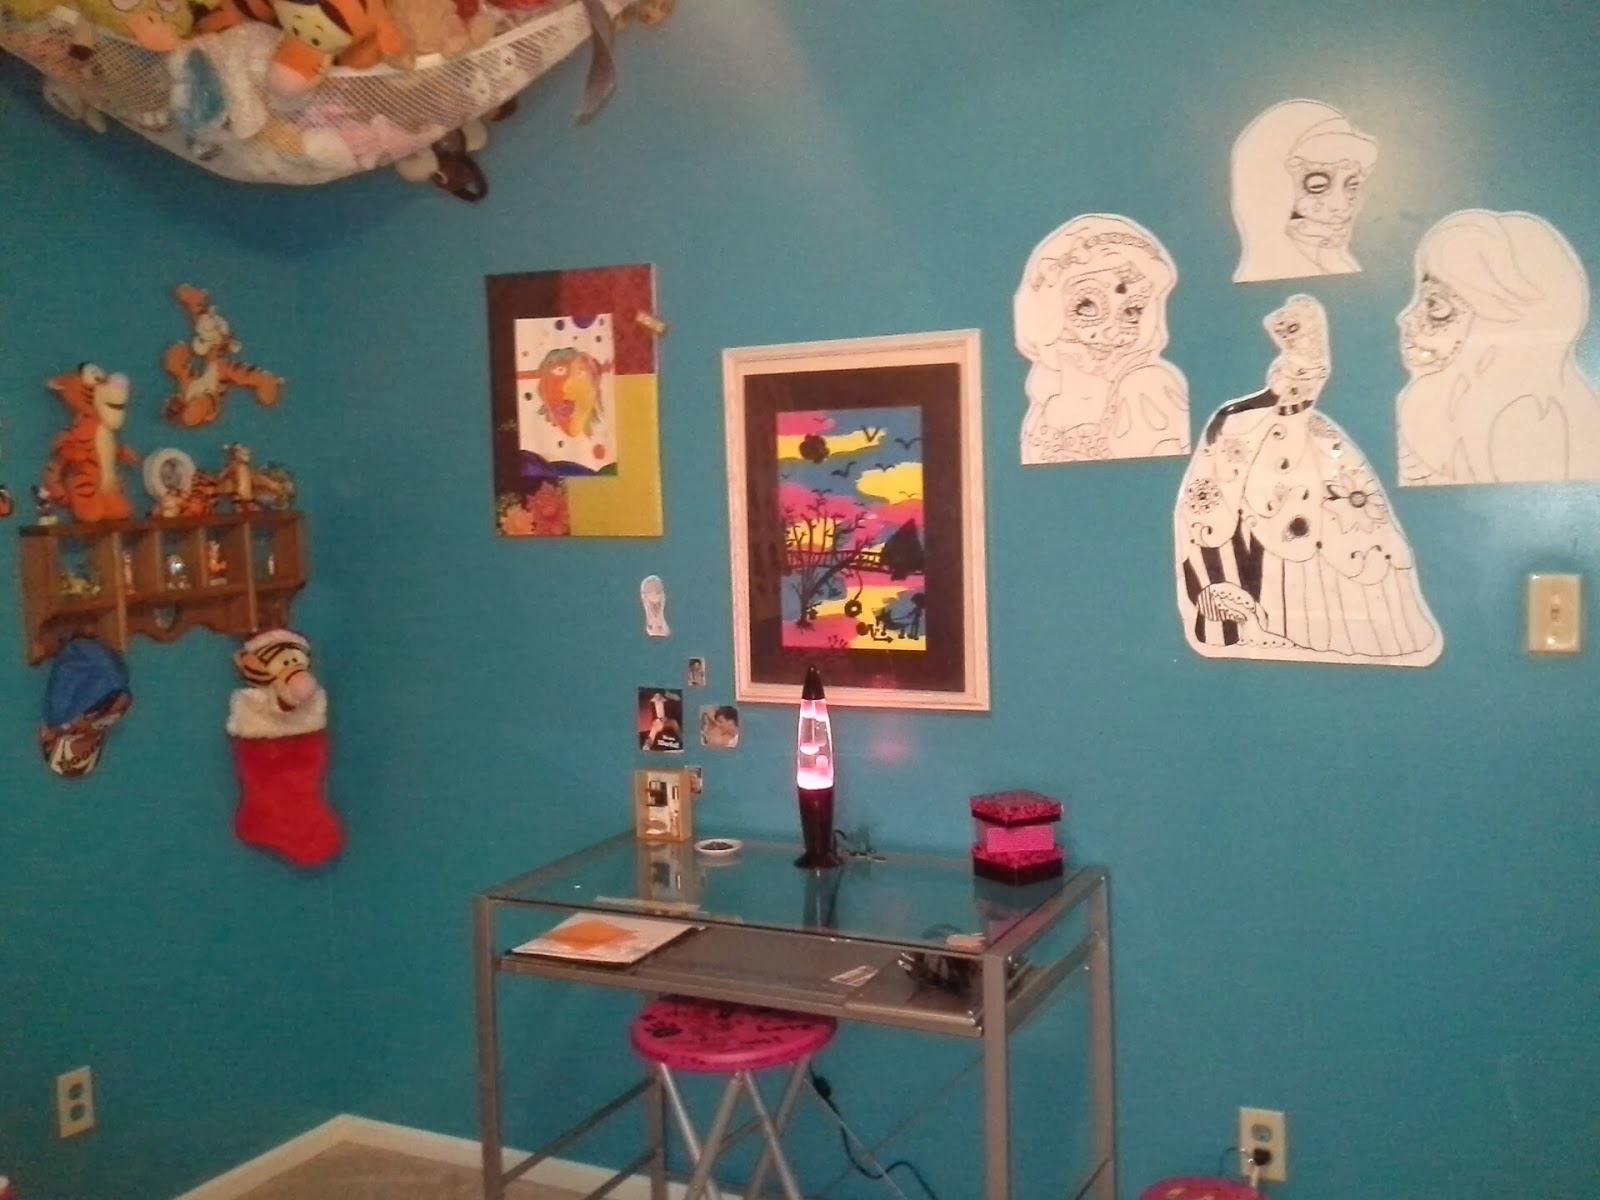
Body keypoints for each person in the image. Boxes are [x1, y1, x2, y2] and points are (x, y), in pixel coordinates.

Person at [1175, 295, 1441, 666]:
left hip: (1301, 451)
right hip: (1277, 446)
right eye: (1286, 330)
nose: (1286, 334)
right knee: (1279, 524)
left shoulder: (1308, 367)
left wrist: (1252, 408)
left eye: (1293, 329)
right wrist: (1239, 410)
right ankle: (1281, 623)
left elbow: (1294, 394)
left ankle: (1325, 630)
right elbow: (1272, 397)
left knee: (1331, 528)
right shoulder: (1278, 377)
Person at [1396, 209, 1600, 485]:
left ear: (1497, 324)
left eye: (1435, 305)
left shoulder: (1527, 418)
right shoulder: (1432, 404)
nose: (1408, 318)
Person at [1015, 214, 1189, 463]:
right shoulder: (1042, 409)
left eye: (1131, 312)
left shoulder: (1146, 388)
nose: (1112, 331)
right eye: (1088, 306)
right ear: (1048, 310)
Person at [1231, 100, 1377, 282]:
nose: (1342, 205)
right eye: (1317, 186)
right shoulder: (1263, 272)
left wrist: (1331, 258)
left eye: (1352, 185)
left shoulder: (1335, 265)